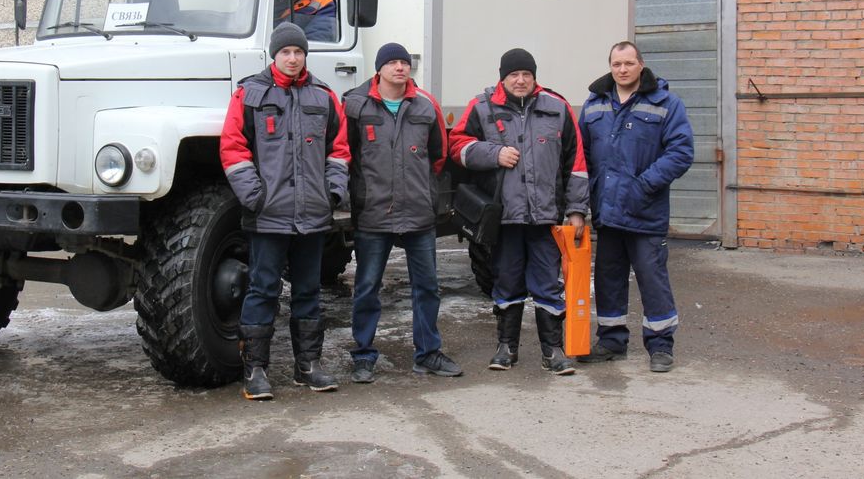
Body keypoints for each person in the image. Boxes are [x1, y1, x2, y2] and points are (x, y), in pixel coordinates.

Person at [220, 22, 350, 400]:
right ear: (274, 55)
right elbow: (232, 147)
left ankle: (307, 366)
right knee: (262, 290)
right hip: (268, 216)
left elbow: (339, 150)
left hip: (313, 216)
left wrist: (332, 193)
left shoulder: (324, 97)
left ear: (305, 55)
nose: (292, 59)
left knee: (309, 290)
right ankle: (256, 371)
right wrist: (254, 197)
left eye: (298, 52)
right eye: (286, 52)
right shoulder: (250, 94)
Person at [449, 48, 589, 376]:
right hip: (505, 218)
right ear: (503, 77)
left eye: (527, 74)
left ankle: (552, 351)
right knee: (506, 280)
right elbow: (457, 146)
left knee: (547, 283)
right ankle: (506, 348)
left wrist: (577, 209)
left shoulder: (557, 108)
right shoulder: (482, 107)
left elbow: (577, 163)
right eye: (514, 74)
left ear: (534, 76)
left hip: (544, 218)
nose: (521, 80)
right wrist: (492, 153)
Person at [344, 42, 462, 383]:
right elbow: (344, 153)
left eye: (404, 62)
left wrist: (421, 191)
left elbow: (437, 158)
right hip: (373, 213)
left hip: (418, 213)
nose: (400, 67)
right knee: (367, 286)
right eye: (392, 62)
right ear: (378, 69)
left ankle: (428, 353)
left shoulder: (425, 106)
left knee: (427, 287)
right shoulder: (354, 105)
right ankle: (363, 356)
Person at [576, 41, 694, 373]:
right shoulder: (594, 105)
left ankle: (660, 345)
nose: (623, 69)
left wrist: (644, 185)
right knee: (609, 278)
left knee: (652, 278)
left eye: (629, 63)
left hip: (645, 212)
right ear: (610, 67)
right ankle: (612, 341)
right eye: (617, 64)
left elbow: (681, 152)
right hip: (608, 212)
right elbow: (580, 154)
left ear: (641, 65)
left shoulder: (666, 104)